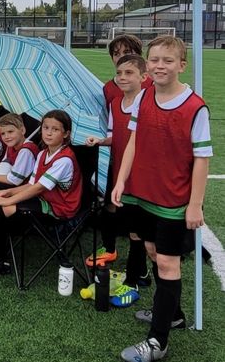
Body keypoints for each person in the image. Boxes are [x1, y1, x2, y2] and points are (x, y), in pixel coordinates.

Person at [112, 37, 212, 362]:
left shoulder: (195, 107)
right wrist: (122, 179)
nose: (159, 66)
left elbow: (201, 159)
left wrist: (195, 203)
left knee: (168, 264)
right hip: (142, 194)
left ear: (181, 65)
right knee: (153, 252)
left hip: (173, 200)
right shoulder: (144, 96)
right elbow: (134, 141)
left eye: (167, 60)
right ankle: (173, 314)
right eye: (154, 59)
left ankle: (158, 342)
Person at [0, 110, 82, 277]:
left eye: (55, 129)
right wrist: (7, 192)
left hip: (60, 207)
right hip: (44, 199)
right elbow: (31, 184)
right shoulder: (43, 153)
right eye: (45, 127)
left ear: (66, 134)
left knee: (3, 208)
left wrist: (9, 200)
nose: (49, 133)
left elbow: (37, 188)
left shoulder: (64, 159)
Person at [86, 54, 149, 307]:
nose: (122, 77)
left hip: (142, 175)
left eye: (129, 73)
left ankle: (133, 281)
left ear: (143, 77)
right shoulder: (115, 103)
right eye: (119, 73)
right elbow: (115, 135)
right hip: (122, 173)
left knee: (137, 230)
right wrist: (100, 140)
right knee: (132, 226)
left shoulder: (149, 103)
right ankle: (141, 274)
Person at [104, 34, 153, 106]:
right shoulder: (108, 89)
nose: (121, 57)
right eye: (116, 54)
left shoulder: (152, 85)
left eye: (127, 52)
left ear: (138, 55)